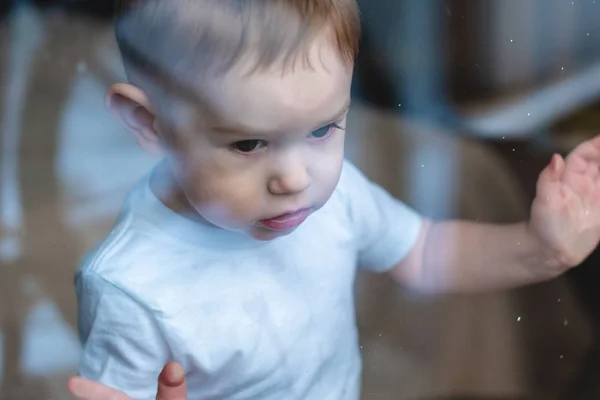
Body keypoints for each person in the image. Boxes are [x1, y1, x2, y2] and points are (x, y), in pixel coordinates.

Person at [71, 0, 600, 399]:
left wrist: (540, 249)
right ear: (149, 123)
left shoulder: (336, 192)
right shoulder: (132, 292)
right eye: (249, 143)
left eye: (323, 128)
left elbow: (423, 251)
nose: (296, 178)